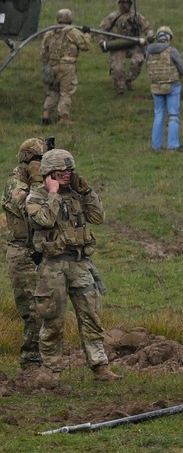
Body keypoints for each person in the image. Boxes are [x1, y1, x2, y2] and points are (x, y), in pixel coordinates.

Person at [27, 148, 114, 380]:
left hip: (79, 263)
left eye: (69, 170)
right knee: (53, 320)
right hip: (51, 267)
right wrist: (53, 194)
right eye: (60, 170)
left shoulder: (77, 195)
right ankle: (51, 370)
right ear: (48, 172)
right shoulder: (36, 197)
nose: (66, 174)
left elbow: (98, 217)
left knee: (91, 316)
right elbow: (44, 220)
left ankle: (100, 366)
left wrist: (87, 192)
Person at [4, 137, 47, 378]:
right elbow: (33, 211)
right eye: (40, 160)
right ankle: (30, 362)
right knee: (32, 311)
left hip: (41, 252)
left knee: (47, 308)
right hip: (21, 254)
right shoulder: (15, 184)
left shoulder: (35, 182)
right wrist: (38, 181)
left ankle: (45, 358)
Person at [39, 9, 96, 126]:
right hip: (67, 67)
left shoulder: (49, 32)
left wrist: (47, 66)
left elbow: (43, 52)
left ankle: (46, 114)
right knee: (66, 92)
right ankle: (63, 119)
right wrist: (87, 34)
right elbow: (85, 46)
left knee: (53, 91)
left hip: (52, 66)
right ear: (70, 19)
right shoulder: (73, 32)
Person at [144, 27, 183, 151]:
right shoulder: (171, 51)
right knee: (173, 115)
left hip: (155, 88)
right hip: (172, 87)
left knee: (158, 115)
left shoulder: (149, 51)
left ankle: (156, 146)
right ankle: (173, 145)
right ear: (168, 38)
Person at [97, 0, 151, 94]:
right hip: (117, 45)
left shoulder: (136, 16)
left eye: (125, 3)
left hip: (133, 44)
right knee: (117, 68)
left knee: (138, 60)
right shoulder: (112, 17)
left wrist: (149, 36)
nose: (123, 5)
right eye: (121, 2)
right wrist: (102, 41)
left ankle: (129, 79)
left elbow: (147, 27)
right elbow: (102, 29)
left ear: (130, 4)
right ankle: (119, 88)